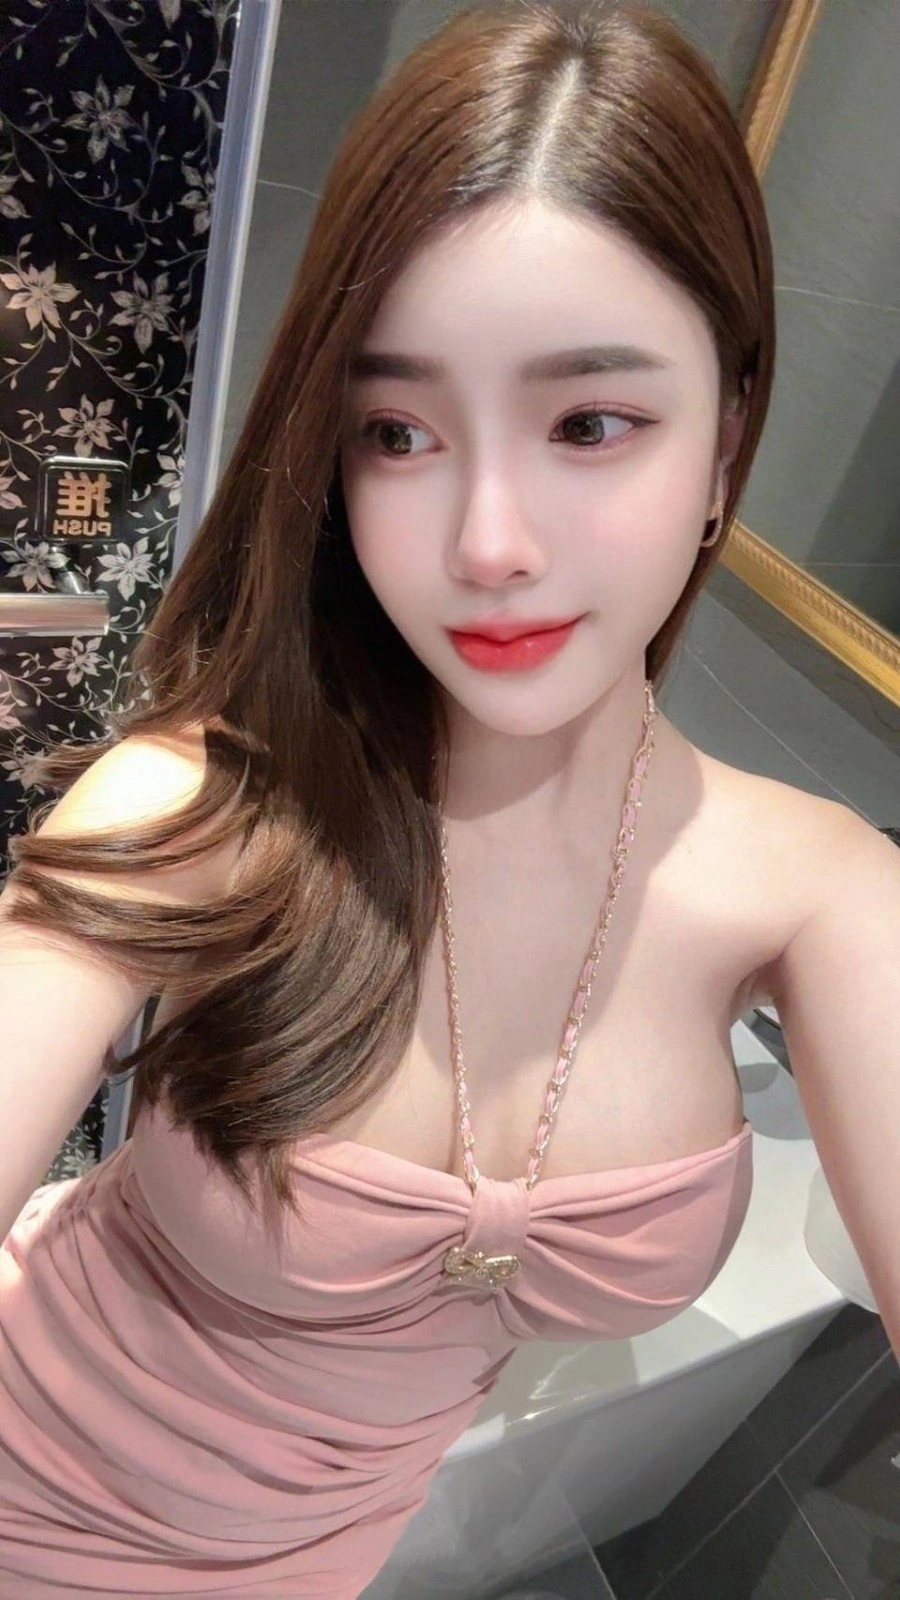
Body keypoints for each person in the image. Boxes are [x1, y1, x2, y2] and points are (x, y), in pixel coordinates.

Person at [0, 1, 897, 1594]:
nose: (488, 542)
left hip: (315, 1560)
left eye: (591, 423)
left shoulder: (819, 893)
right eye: (398, 433)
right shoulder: (197, 810)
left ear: (727, 440)